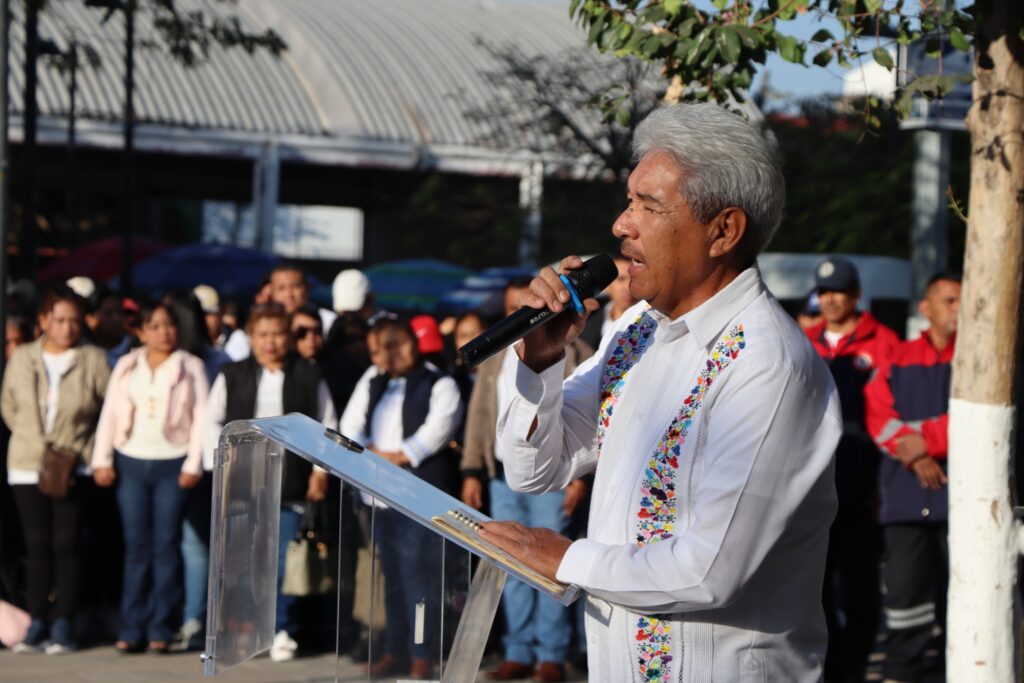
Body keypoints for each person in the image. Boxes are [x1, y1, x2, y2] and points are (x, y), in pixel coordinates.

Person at [479, 103, 841, 682]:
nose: (621, 226)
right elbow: (533, 471)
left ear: (723, 231)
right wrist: (539, 361)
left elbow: (709, 570)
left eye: (648, 206)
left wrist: (566, 558)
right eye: (629, 202)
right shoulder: (637, 330)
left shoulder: (768, 363)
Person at [461, 281, 593, 682]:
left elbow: (589, 423)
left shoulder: (576, 351)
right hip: (501, 476)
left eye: (527, 306)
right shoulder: (495, 357)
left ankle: (551, 654)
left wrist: (581, 479)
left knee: (550, 563)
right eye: (512, 307)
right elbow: (479, 415)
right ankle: (518, 649)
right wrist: (472, 470)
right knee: (510, 565)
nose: (518, 314)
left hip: (554, 478)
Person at [204, 302, 337, 663]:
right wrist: (222, 464)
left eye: (277, 334)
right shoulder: (232, 374)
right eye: (262, 334)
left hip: (291, 480)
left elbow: (327, 425)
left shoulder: (308, 375)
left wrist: (320, 472)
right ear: (251, 337)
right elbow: (212, 421)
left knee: (282, 560)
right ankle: (247, 629)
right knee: (245, 559)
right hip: (243, 479)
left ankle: (281, 628)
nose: (270, 342)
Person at [339, 318, 463, 680]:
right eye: (377, 350)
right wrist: (367, 451)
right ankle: (394, 649)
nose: (384, 357)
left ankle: (422, 654)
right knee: (390, 577)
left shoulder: (438, 382)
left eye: (392, 346)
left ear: (410, 343)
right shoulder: (373, 380)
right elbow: (350, 424)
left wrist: (400, 455)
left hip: (416, 494)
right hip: (378, 496)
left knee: (418, 578)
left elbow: (439, 428)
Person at [91, 301, 208, 654]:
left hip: (173, 462)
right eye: (154, 326)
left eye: (169, 325)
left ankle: (161, 626)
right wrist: (102, 459)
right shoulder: (127, 364)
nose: (163, 332)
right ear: (141, 331)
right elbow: (110, 413)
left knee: (166, 546)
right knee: (136, 548)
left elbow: (202, 417)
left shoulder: (191, 366)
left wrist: (193, 463)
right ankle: (132, 627)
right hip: (131, 460)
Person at [804, 257, 899, 683]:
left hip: (864, 485)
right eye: (824, 292)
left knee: (860, 586)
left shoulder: (884, 342)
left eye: (839, 292)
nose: (830, 300)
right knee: (814, 587)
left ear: (857, 295)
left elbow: (893, 414)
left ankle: (853, 670)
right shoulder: (803, 341)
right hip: (812, 487)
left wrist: (884, 484)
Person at [1, 286, 110, 654]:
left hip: (73, 463)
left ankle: (64, 619)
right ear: (44, 320)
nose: (67, 328)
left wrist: (84, 450)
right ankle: (36, 621)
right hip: (27, 462)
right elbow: (9, 405)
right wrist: (32, 438)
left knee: (67, 543)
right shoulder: (24, 357)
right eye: (60, 320)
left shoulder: (93, 358)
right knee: (36, 543)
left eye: (74, 321)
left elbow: (106, 409)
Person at [865, 273, 960, 683]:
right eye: (949, 300)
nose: (958, 309)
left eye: (962, 301)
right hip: (905, 497)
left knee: (960, 591)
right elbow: (878, 415)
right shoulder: (899, 357)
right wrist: (915, 451)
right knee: (905, 594)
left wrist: (926, 443)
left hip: (959, 499)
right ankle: (902, 671)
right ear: (926, 308)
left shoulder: (975, 358)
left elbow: (978, 418)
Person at [225, 265, 337, 361]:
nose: (289, 294)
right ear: (272, 292)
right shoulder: (249, 333)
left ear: (307, 288)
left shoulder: (329, 321)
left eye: (296, 286)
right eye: (281, 288)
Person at [579, 256, 638, 349]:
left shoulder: (653, 321)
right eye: (621, 279)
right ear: (607, 285)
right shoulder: (586, 318)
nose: (627, 287)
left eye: (634, 279)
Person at [193, 284, 229, 349]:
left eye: (207, 314)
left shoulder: (235, 342)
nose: (202, 319)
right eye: (198, 314)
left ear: (221, 313)